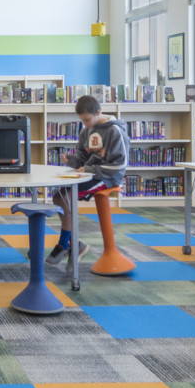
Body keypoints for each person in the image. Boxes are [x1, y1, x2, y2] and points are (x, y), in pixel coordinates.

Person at [47, 95, 129, 266]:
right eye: (82, 121)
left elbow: (119, 165)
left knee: (67, 197)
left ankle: (64, 244)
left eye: (87, 120)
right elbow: (82, 155)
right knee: (58, 197)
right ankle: (74, 244)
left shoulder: (115, 131)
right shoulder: (86, 130)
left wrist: (90, 169)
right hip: (90, 174)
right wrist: (71, 160)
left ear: (98, 112)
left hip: (107, 176)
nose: (85, 124)